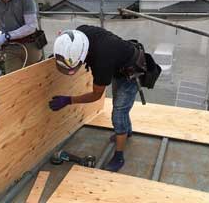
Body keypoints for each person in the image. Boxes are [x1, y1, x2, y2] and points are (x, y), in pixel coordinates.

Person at [49, 25, 141, 172]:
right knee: (120, 105)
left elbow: (96, 95)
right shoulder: (79, 33)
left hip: (132, 72)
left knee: (118, 113)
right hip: (119, 64)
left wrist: (68, 100)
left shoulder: (102, 61)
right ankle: (126, 132)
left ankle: (119, 155)